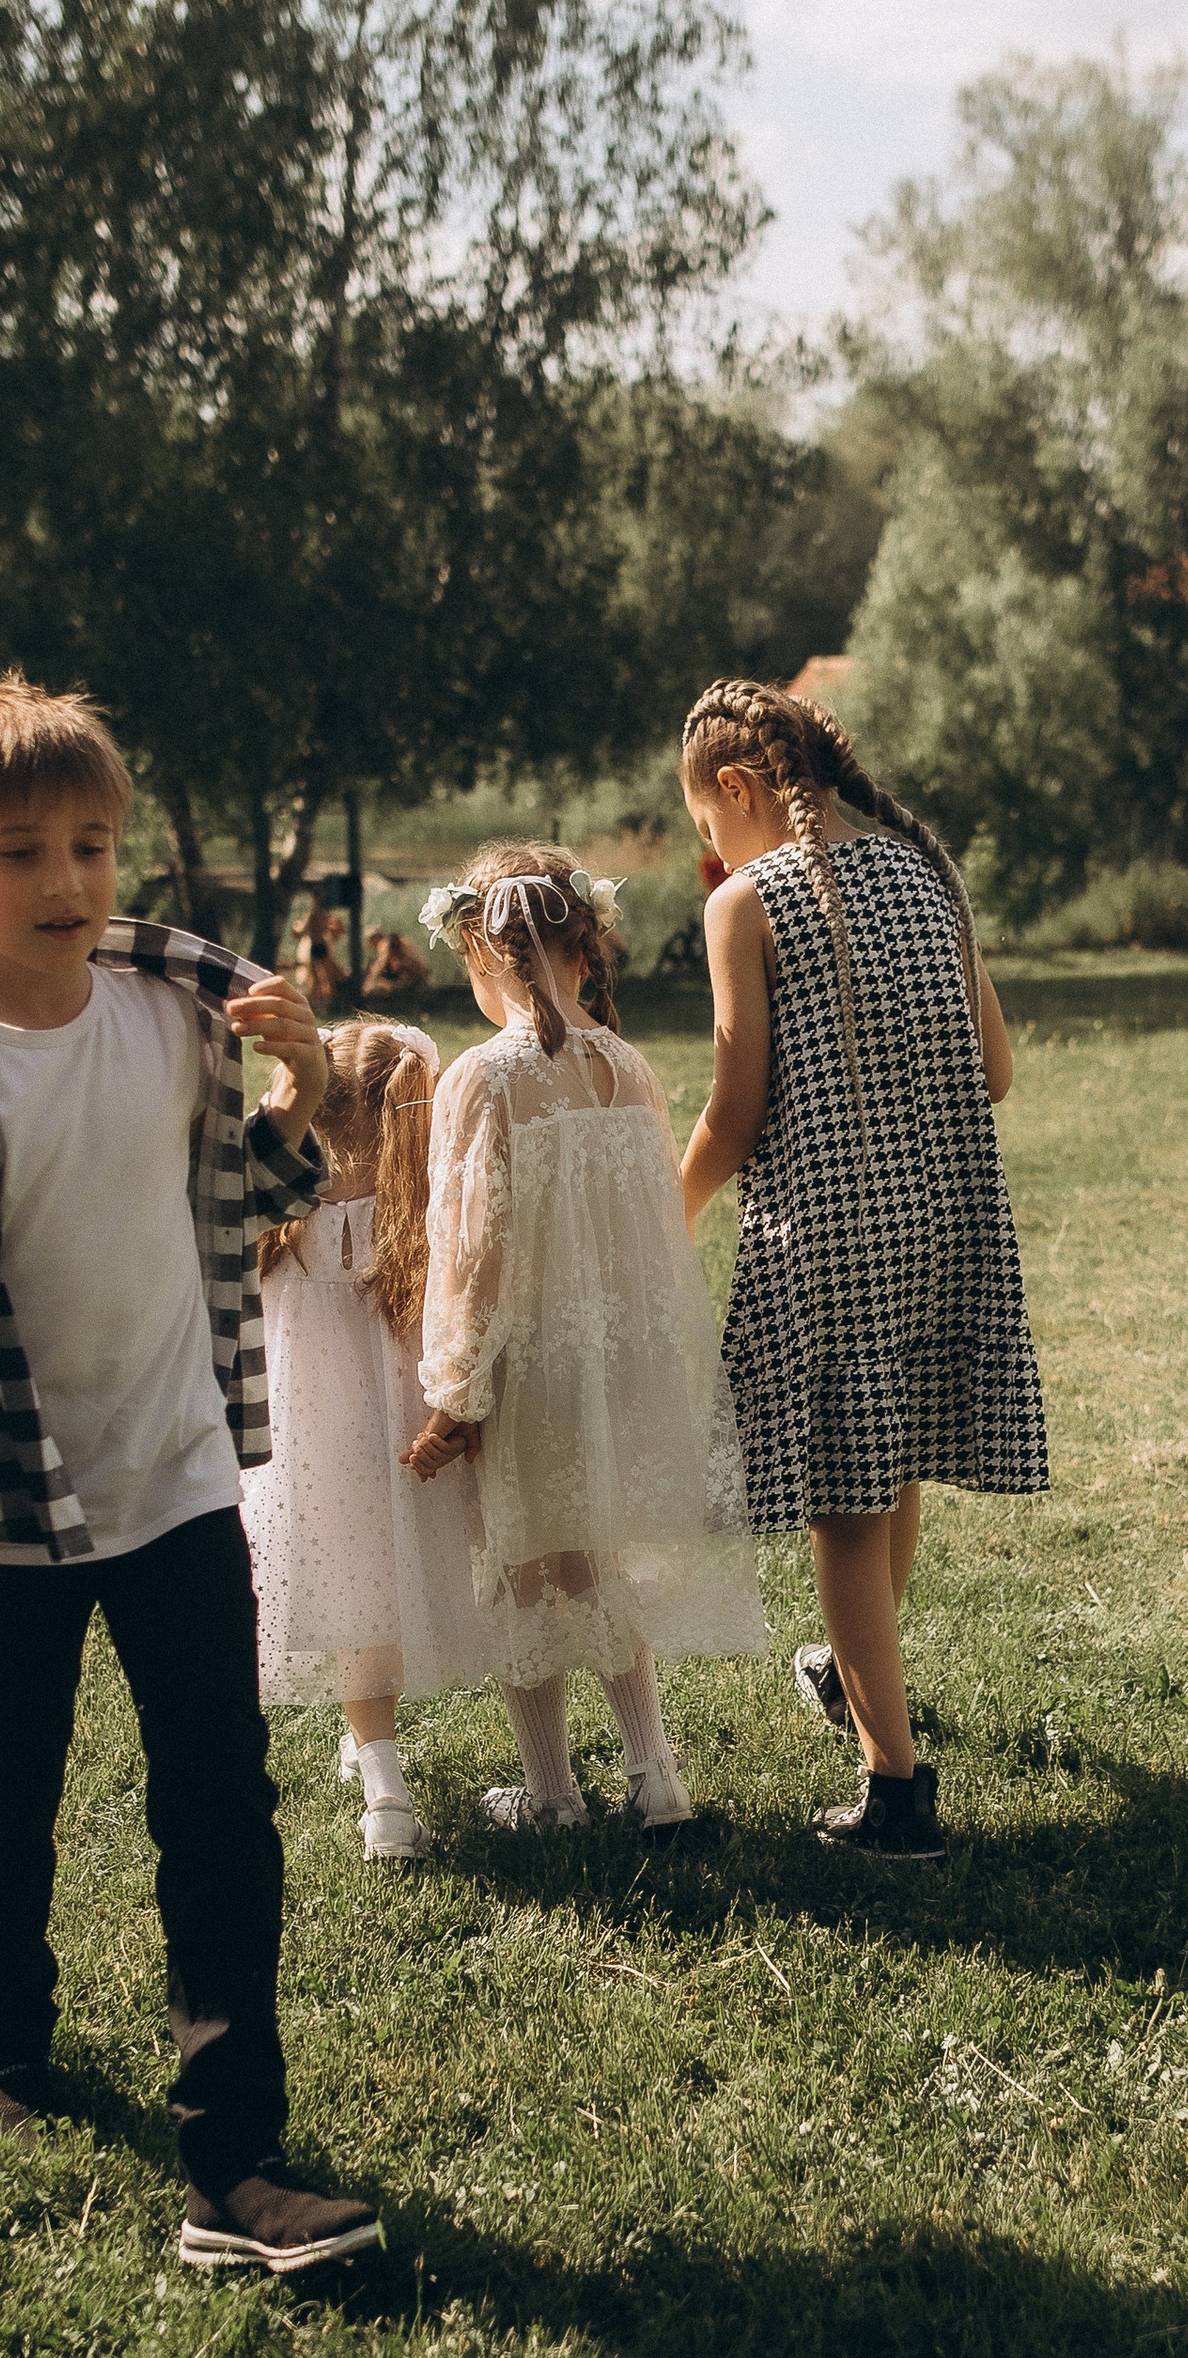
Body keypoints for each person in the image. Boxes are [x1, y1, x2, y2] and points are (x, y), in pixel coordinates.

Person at [0, 670, 380, 2275]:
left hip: (178, 1474)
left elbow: (240, 1195)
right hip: (5, 1506)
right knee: (9, 1789)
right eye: (19, 854)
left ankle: (236, 2160)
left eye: (88, 846)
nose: (64, 881)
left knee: (221, 1806)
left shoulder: (173, 1012)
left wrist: (302, 1097)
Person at [675, 677, 1046, 1860]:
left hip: (827, 1236)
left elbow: (734, 1111)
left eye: (706, 825)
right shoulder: (926, 874)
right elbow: (995, 1070)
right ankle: (852, 1676)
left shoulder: (748, 902)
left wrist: (666, 1208)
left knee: (843, 1505)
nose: (712, 849)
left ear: (736, 787)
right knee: (894, 1465)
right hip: (943, 1219)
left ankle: (895, 1789)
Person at [406, 845, 762, 1829]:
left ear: (481, 951)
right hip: (619, 1353)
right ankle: (655, 1773)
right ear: (585, 943)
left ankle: (552, 1791)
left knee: (519, 1565)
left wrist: (455, 1391)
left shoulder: (483, 1078)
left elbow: (471, 1250)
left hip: (529, 1360)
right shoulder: (627, 1066)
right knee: (595, 1556)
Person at [242, 1017, 488, 1860]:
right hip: (415, 1430)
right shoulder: (421, 1210)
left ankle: (384, 1790)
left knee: (354, 1600)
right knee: (391, 1589)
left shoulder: (280, 1216)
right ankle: (377, 1773)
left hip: (310, 1440)